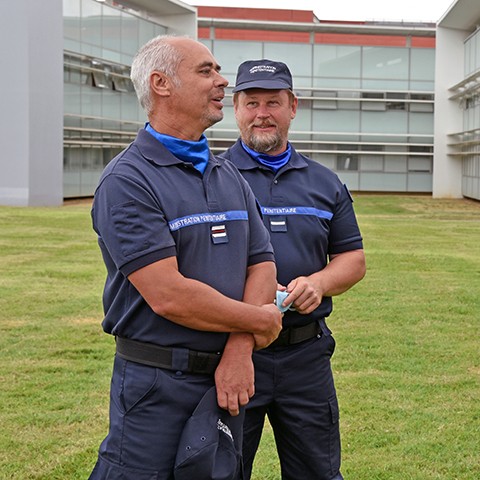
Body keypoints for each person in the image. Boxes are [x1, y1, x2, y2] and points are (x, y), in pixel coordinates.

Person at [89, 36, 283, 478]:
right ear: (161, 84)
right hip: (156, 385)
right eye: (205, 71)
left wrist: (239, 349)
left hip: (228, 379)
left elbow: (262, 262)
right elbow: (169, 295)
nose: (222, 82)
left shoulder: (227, 173)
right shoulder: (127, 180)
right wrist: (258, 322)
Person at [218, 59, 366, 480]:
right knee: (224, 471)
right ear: (235, 108)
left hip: (306, 354)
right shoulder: (211, 178)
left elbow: (352, 259)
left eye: (273, 102)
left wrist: (318, 283)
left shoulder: (324, 182)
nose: (262, 113)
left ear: (293, 106)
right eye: (252, 102)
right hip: (235, 352)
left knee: (317, 472)